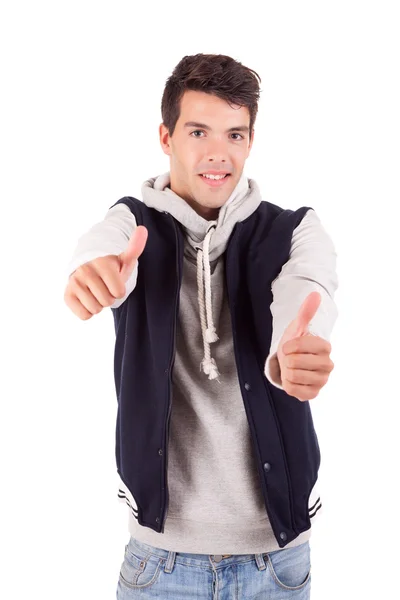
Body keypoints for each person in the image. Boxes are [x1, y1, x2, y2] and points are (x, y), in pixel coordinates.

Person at [64, 53, 338, 599]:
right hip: (159, 563)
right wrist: (92, 272)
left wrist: (296, 344)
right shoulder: (133, 221)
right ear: (166, 138)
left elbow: (309, 287)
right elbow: (102, 243)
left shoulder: (294, 229)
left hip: (277, 564)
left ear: (251, 141)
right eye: (198, 131)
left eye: (235, 134)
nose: (219, 153)